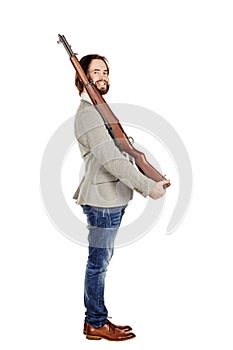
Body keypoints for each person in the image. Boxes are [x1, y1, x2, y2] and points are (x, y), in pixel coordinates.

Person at [73, 54, 169, 341]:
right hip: (102, 203)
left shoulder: (100, 110)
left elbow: (126, 149)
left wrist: (152, 173)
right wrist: (147, 187)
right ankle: (95, 321)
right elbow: (112, 160)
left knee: (101, 260)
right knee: (98, 263)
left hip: (111, 200)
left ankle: (97, 318)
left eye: (106, 71)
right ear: (83, 78)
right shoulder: (89, 113)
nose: (103, 76)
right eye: (96, 71)